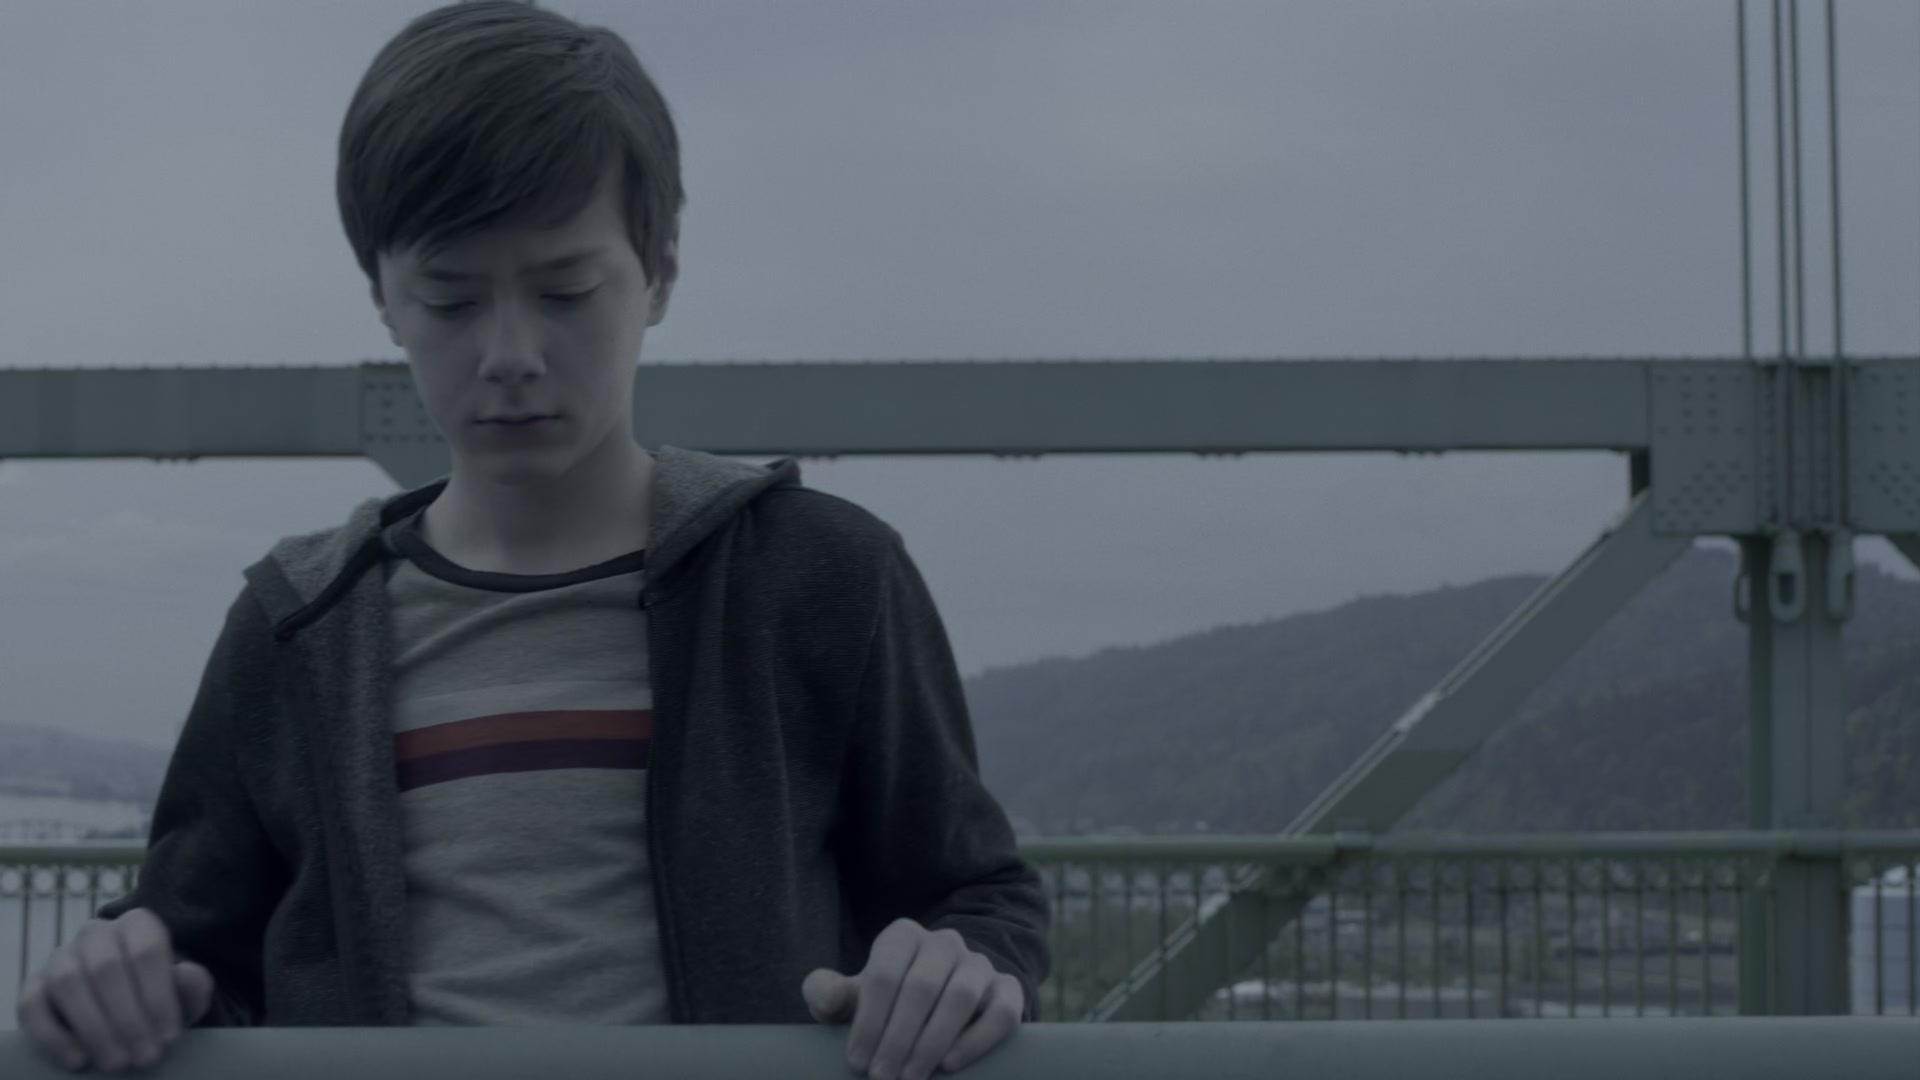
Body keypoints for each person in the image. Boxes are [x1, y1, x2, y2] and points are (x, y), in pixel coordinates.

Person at [13, 2, 1051, 1077]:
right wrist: (122, 976)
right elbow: (193, 955)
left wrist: (965, 965)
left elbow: (976, 895)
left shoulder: (819, 578)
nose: (509, 352)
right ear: (383, 299)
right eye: (449, 299)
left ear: (659, 274)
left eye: (565, 290)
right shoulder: (294, 625)